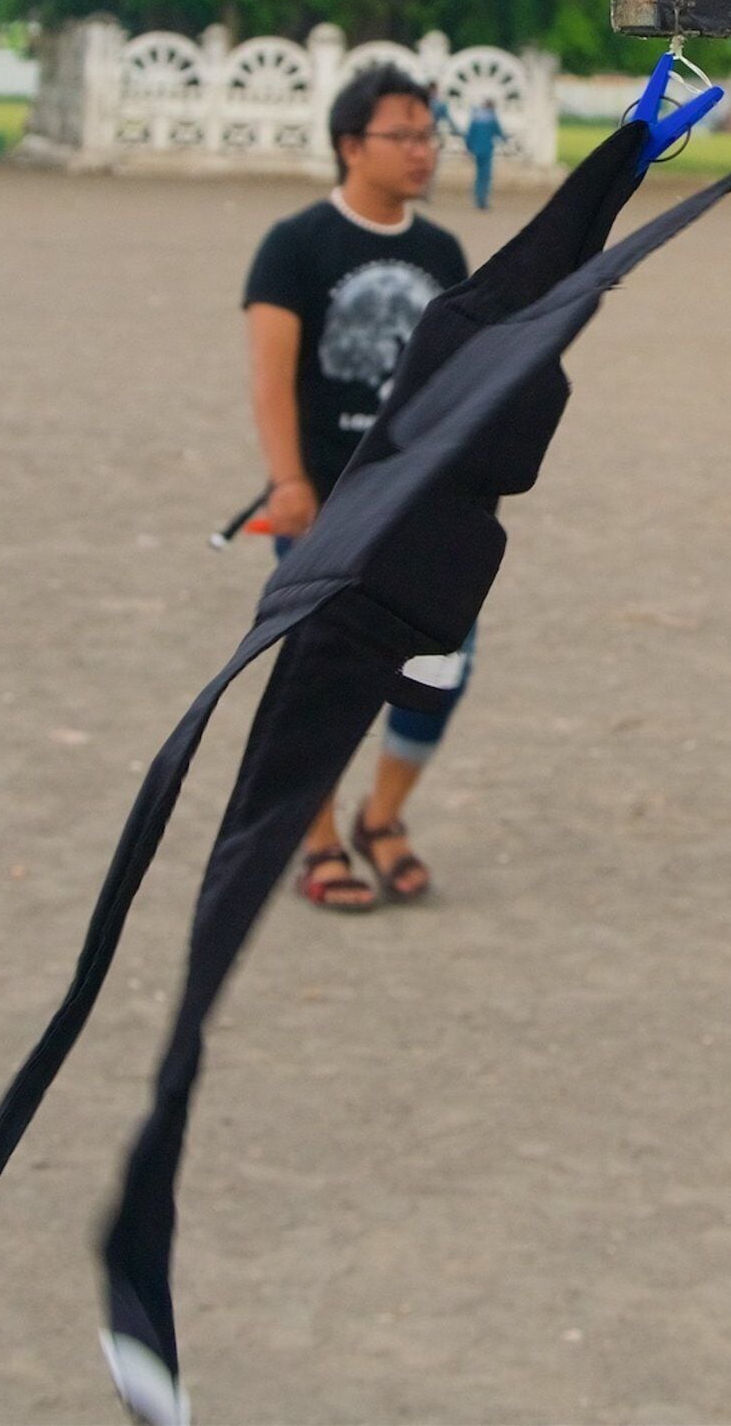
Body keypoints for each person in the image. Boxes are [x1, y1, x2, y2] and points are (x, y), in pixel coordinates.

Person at [242, 64, 470, 911]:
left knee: (442, 664)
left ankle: (384, 816)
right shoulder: (297, 245)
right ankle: (317, 836)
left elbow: (459, 377)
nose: (422, 152)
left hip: (424, 502)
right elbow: (270, 378)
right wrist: (287, 478)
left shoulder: (440, 252)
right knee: (324, 674)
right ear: (350, 145)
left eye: (427, 134)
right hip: (327, 501)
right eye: (402, 136)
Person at [461, 96, 504, 210]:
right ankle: (483, 201)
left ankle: (478, 199)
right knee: (485, 176)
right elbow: (499, 133)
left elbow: (469, 134)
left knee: (478, 176)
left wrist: (468, 148)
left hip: (477, 150)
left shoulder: (475, 118)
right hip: (487, 150)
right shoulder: (492, 119)